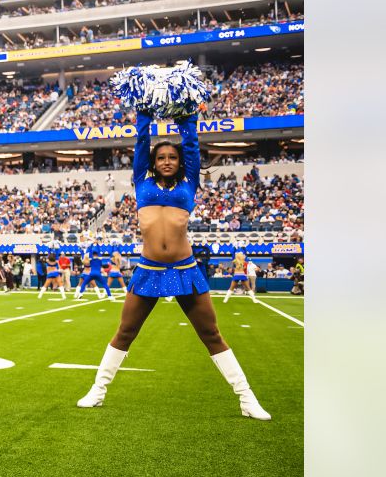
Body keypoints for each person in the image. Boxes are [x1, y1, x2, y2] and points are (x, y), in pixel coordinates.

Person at [76, 110, 270, 420]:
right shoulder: (141, 181)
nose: (167, 161)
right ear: (153, 162)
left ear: (180, 162)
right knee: (125, 332)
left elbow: (191, 144)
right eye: (161, 157)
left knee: (211, 334)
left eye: (172, 157)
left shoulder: (189, 184)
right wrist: (143, 115)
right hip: (149, 269)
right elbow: (141, 142)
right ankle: (97, 391)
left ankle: (247, 398)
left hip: (185, 270)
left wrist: (187, 117)